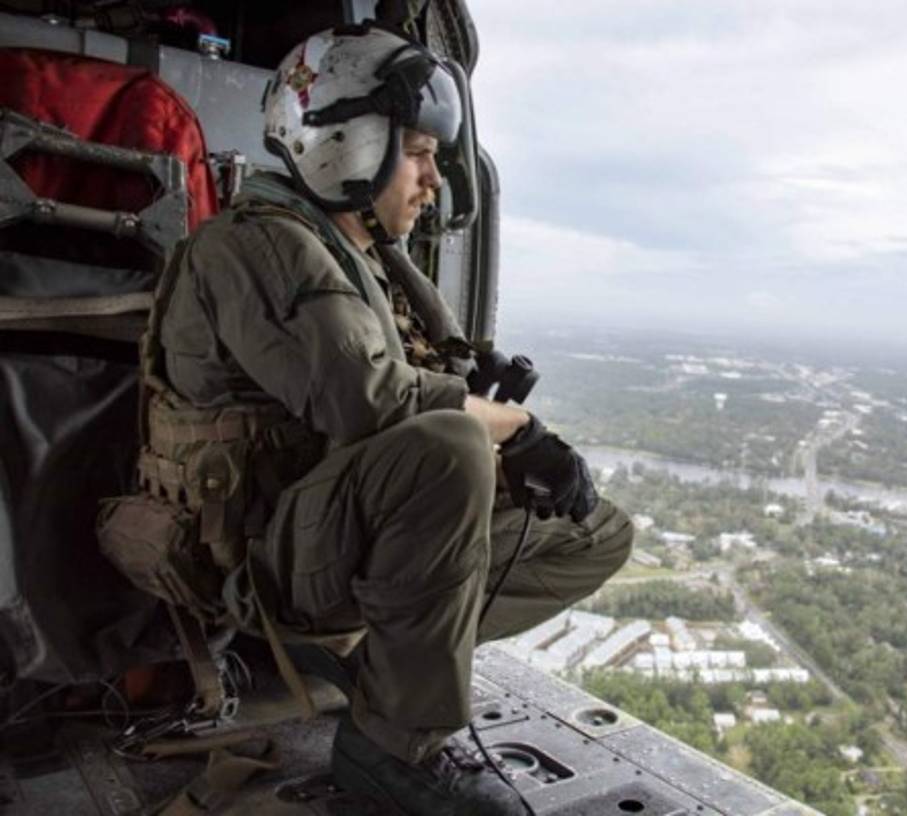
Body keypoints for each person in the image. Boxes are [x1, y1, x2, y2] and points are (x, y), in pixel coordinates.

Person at [149, 23, 633, 815]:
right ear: (345, 144)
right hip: (260, 553)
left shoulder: (368, 260)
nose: (433, 178)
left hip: (337, 538)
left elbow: (418, 392)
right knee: (449, 447)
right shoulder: (258, 245)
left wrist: (516, 456)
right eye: (418, 152)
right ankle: (392, 746)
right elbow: (365, 400)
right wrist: (509, 431)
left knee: (596, 534)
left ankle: (392, 663)